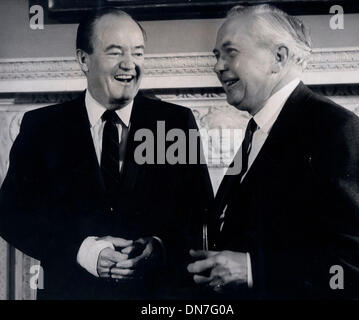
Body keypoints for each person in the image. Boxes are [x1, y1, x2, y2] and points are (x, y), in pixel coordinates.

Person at [0, 8, 212, 300]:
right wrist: (82, 250)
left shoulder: (175, 122)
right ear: (83, 60)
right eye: (115, 53)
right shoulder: (42, 127)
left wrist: (161, 246)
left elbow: (200, 213)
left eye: (138, 53)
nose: (129, 65)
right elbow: (11, 214)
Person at [187, 4, 359, 299]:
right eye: (216, 55)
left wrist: (253, 270)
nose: (218, 66)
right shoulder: (258, 130)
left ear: (279, 57)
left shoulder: (337, 131)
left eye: (230, 52)